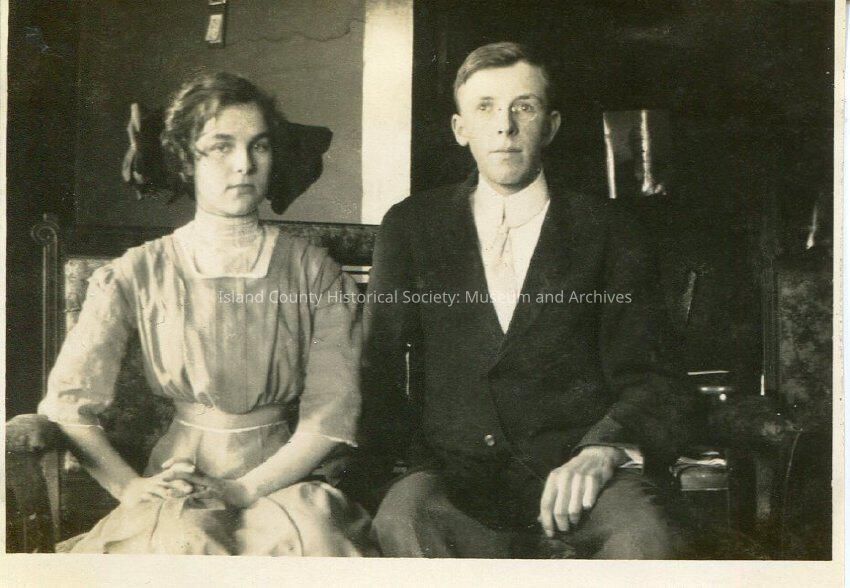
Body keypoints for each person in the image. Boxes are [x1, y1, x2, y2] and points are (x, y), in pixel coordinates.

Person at [356, 42, 692, 558]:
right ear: (460, 128)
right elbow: (376, 369)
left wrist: (602, 451)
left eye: (524, 107)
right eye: (485, 107)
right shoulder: (412, 226)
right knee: (404, 520)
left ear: (551, 125)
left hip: (584, 482)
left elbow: (655, 377)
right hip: (453, 482)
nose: (505, 127)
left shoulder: (609, 229)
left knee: (645, 537)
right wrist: (410, 465)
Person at [38, 72, 376, 555]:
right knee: (180, 544)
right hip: (180, 477)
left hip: (283, 477)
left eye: (259, 146)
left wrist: (244, 489)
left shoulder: (314, 272)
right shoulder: (137, 272)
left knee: (309, 544)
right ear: (185, 159)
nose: (244, 164)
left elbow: (331, 413)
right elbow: (69, 403)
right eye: (221, 146)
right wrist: (127, 487)